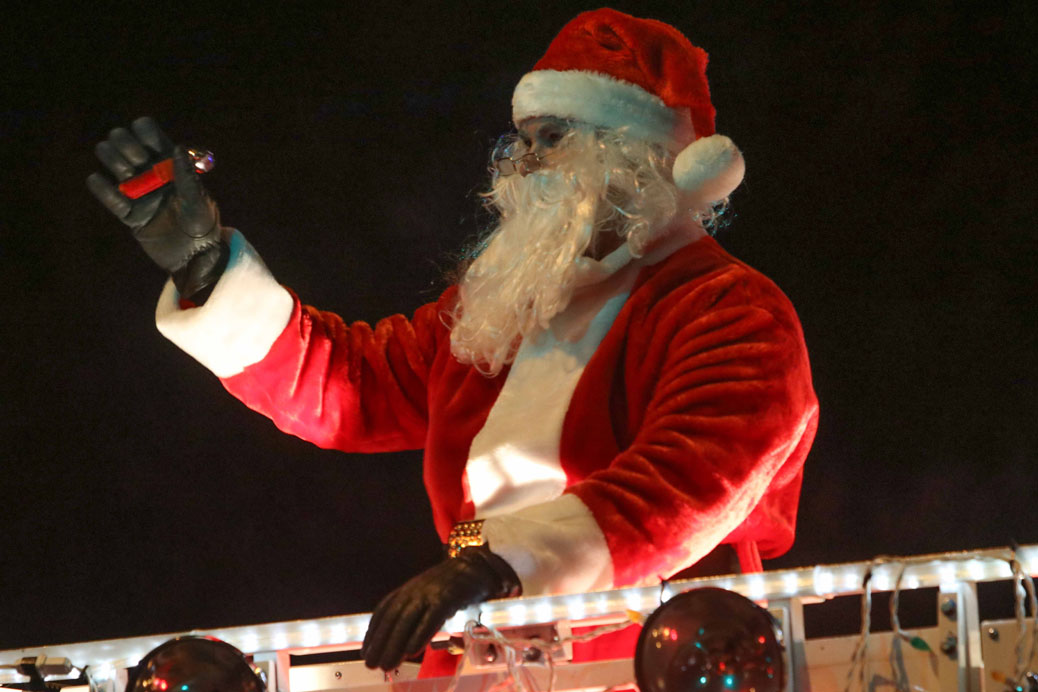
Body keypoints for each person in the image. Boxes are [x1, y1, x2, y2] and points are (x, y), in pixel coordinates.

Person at [87, 8, 818, 674]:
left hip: (660, 658)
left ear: (636, 155)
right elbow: (352, 389)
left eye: (553, 138)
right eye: (524, 140)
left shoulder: (727, 307)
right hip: (488, 653)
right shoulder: (500, 306)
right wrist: (205, 265)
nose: (523, 162)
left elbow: (688, 484)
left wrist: (498, 565)